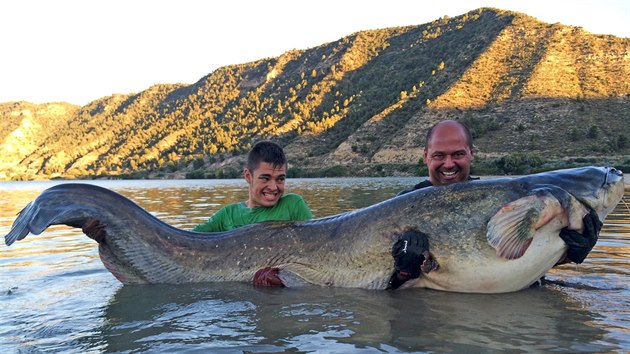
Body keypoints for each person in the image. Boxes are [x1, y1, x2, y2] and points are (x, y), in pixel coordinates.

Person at [387, 120, 601, 289]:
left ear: (471, 153)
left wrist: (570, 252)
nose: (449, 163)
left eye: (458, 154)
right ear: (426, 156)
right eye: (439, 155)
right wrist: (403, 272)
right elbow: (383, 288)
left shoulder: (500, 198)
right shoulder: (402, 206)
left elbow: (519, 264)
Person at [192, 140, 313, 233]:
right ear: (248, 176)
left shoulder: (293, 205)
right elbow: (186, 240)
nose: (273, 187)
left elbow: (313, 242)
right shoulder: (227, 215)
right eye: (265, 178)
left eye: (280, 179)